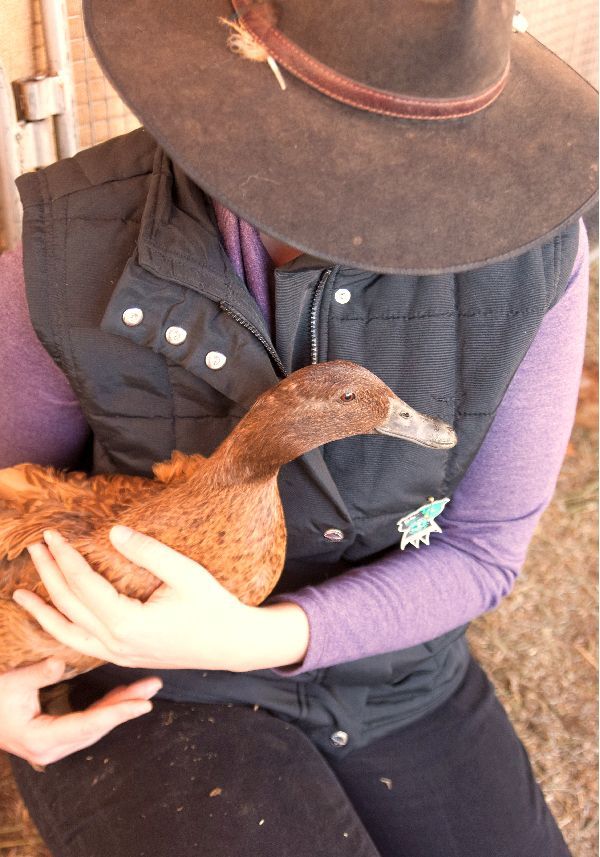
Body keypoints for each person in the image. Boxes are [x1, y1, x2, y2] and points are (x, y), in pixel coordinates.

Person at [0, 2, 597, 855]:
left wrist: (262, 638)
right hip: (151, 671)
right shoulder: (70, 252)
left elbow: (483, 548)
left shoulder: (533, 261)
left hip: (392, 667)